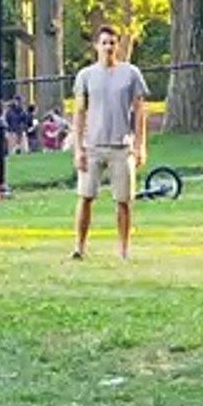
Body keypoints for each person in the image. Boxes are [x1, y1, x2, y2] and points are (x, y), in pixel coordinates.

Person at [70, 25, 150, 261]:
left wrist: (140, 145)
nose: (108, 47)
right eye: (104, 42)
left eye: (112, 43)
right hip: (93, 146)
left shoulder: (130, 73)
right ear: (96, 46)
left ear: (118, 45)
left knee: (123, 200)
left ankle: (124, 249)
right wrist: (78, 148)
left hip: (121, 147)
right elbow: (79, 113)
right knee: (85, 197)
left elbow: (139, 110)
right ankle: (79, 247)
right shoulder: (86, 76)